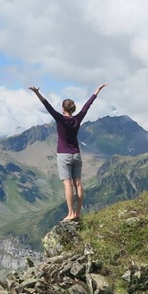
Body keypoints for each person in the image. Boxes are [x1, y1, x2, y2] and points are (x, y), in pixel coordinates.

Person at [29, 83, 108, 221]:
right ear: (73, 109)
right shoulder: (77, 119)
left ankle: (70, 214)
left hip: (64, 155)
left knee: (67, 183)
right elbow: (87, 106)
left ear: (63, 109)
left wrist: (36, 93)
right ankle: (78, 213)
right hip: (77, 154)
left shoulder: (60, 119)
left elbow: (47, 105)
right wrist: (97, 91)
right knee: (78, 182)